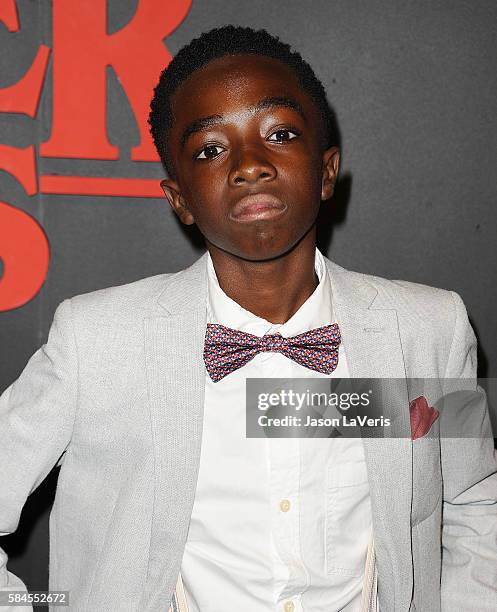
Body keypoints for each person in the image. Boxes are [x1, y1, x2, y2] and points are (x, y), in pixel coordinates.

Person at [1, 25, 496, 612]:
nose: (250, 164)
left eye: (280, 134)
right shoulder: (97, 339)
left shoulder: (427, 330)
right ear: (179, 199)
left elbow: (473, 501)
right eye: (211, 149)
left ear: (326, 169)